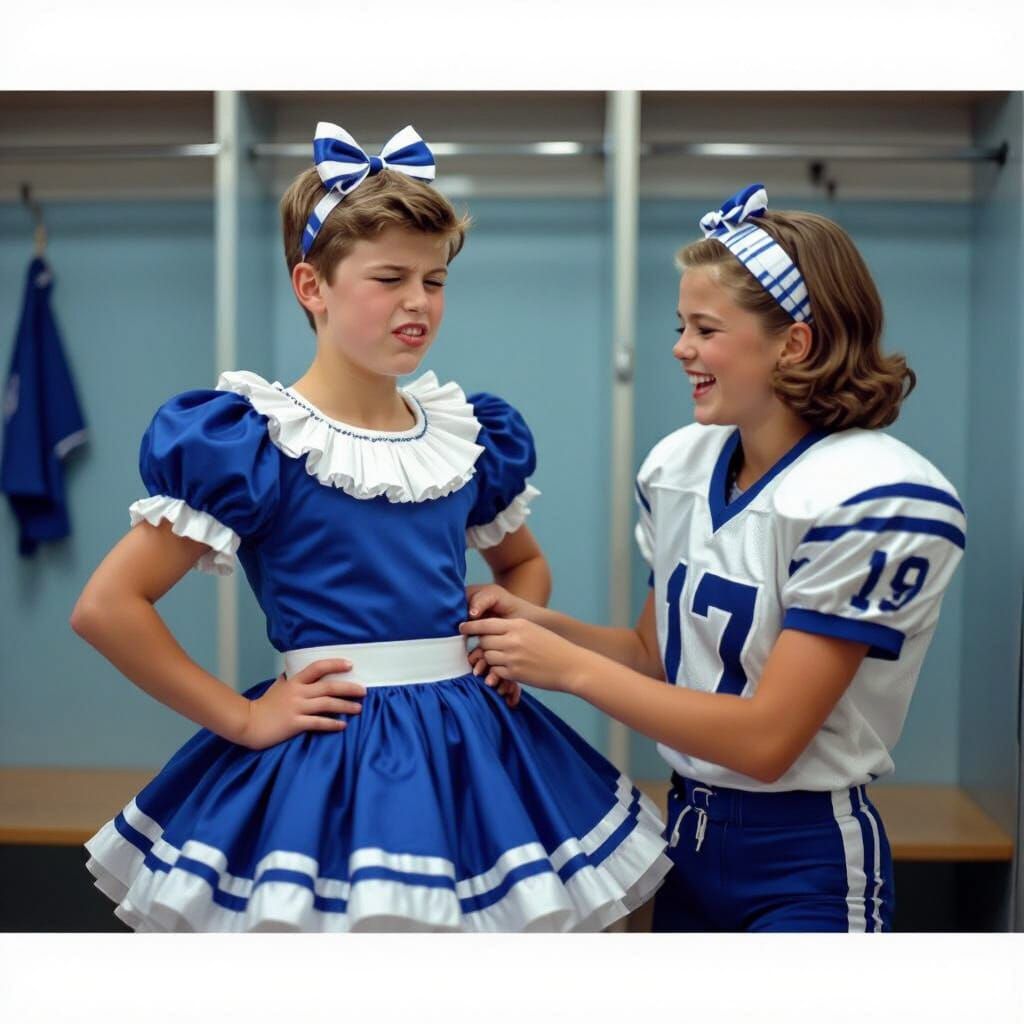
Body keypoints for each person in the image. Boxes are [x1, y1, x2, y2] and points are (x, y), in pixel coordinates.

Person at [72, 122, 671, 933]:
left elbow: (524, 567)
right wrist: (243, 717)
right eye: (389, 278)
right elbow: (108, 607)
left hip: (479, 752)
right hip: (337, 755)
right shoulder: (255, 440)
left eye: (436, 279)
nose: (419, 302)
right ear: (311, 286)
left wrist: (503, 629)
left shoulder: (465, 434)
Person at [461, 184, 966, 932]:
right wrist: (540, 625)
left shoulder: (875, 494)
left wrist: (565, 669)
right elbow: (652, 656)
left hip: (805, 856)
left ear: (792, 344)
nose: (680, 348)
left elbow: (766, 741)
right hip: (685, 837)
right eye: (680, 325)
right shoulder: (683, 466)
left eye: (704, 328)